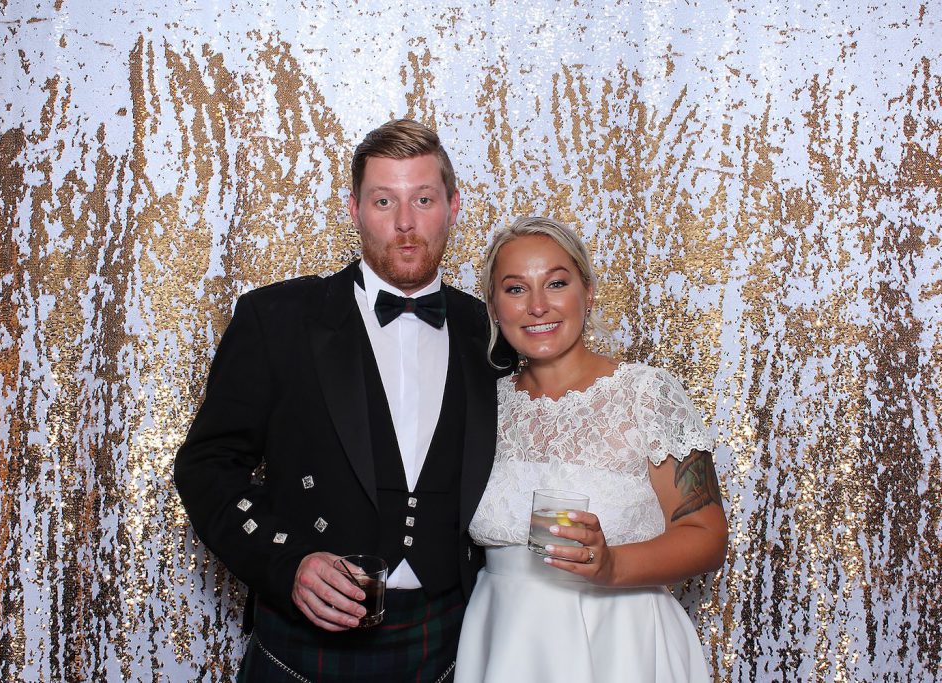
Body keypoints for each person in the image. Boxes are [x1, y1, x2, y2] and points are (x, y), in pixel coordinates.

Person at [175, 119, 511, 682]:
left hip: (449, 642)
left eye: (423, 199)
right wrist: (289, 565)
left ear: (453, 206)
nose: (405, 223)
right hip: (302, 647)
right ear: (354, 209)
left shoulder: (494, 333)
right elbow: (207, 467)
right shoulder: (276, 319)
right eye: (384, 201)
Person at [454, 216, 729, 682]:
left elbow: (707, 535)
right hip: (505, 640)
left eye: (556, 283)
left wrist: (613, 565)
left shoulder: (648, 394)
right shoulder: (482, 407)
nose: (538, 306)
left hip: (621, 643)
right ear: (494, 307)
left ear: (588, 291)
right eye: (516, 289)